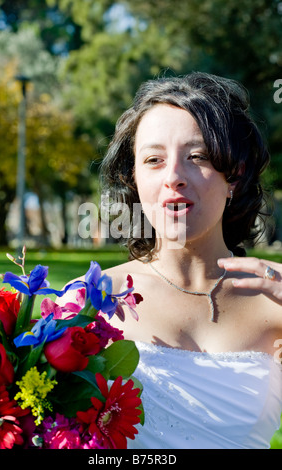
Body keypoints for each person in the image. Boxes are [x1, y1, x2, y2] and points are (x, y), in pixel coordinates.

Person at [59, 72, 282, 449]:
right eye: (153, 160)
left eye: (198, 156)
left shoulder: (277, 294)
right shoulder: (90, 299)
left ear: (235, 175)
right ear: (134, 178)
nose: (174, 177)